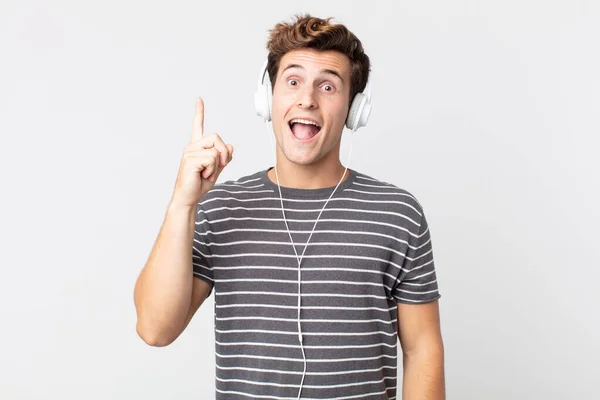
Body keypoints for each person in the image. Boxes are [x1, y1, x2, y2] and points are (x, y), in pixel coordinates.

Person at [134, 13, 445, 400]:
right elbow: (154, 328)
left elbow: (422, 350)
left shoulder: (397, 213)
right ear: (267, 99)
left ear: (353, 109)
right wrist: (183, 203)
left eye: (328, 86)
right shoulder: (222, 209)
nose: (307, 99)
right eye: (293, 81)